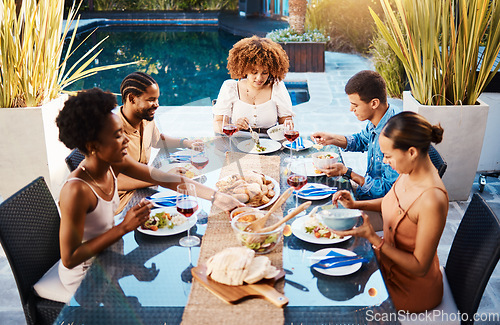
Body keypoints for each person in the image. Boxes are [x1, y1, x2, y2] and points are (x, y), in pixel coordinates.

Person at [33, 88, 242, 303]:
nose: (125, 140)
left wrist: (218, 198)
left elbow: (166, 179)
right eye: (117, 135)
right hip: (88, 277)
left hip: (113, 256)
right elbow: (69, 258)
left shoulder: (113, 164)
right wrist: (124, 227)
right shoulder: (77, 190)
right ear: (92, 145)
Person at [331, 111, 448, 313]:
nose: (385, 161)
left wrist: (373, 238)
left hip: (410, 290)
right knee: (334, 275)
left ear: (411, 152)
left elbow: (420, 266)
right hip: (386, 268)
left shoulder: (432, 199)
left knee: (345, 308)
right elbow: (390, 201)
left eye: (388, 156)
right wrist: (355, 205)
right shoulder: (409, 171)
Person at [117, 72, 198, 213]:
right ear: (131, 99)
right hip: (122, 203)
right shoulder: (112, 131)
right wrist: (162, 178)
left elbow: (157, 140)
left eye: (157, 99)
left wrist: (185, 142)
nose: (157, 105)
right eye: (151, 100)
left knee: (190, 196)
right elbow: (116, 182)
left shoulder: (145, 118)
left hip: (145, 189)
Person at [312, 70, 399, 200]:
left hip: (379, 203)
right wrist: (332, 139)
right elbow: (361, 140)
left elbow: (386, 191)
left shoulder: (394, 137)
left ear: (374, 103)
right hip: (366, 191)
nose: (351, 109)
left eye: (355, 105)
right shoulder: (382, 118)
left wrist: (347, 173)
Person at [212, 35, 294, 135]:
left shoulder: (277, 87)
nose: (259, 78)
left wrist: (288, 125)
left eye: (265, 73)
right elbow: (218, 123)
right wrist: (234, 127)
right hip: (237, 142)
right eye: (254, 72)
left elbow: (285, 122)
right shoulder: (230, 87)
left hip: (270, 143)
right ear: (244, 69)